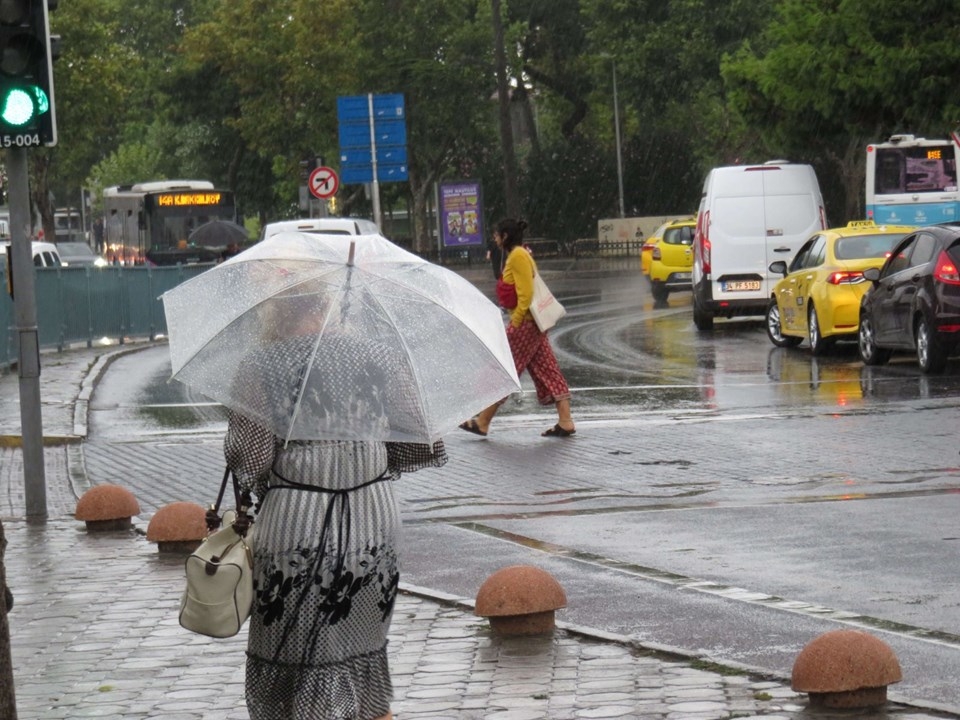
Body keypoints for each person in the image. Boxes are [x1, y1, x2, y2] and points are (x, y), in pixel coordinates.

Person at [225, 326, 447, 720]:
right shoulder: (380, 354)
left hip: (298, 521)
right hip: (372, 519)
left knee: (297, 654)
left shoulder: (260, 364)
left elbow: (253, 459)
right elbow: (417, 441)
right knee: (361, 655)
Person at [459, 218, 576, 438]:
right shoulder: (517, 255)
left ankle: (483, 421)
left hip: (525, 325)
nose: (494, 239)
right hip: (533, 325)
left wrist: (516, 323)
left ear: (505, 236)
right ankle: (566, 420)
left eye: (496, 235)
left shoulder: (518, 257)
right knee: (548, 369)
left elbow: (526, 295)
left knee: (504, 371)